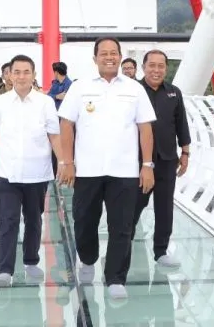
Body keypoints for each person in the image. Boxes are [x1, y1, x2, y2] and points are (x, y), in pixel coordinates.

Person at [58, 37, 156, 301]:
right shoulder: (80, 88)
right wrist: (67, 162)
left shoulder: (135, 89)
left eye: (114, 53)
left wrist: (147, 165)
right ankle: (88, 260)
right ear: (95, 59)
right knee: (84, 222)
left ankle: (115, 278)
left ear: (120, 56)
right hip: (87, 170)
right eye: (104, 54)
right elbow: (66, 124)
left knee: (122, 226)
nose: (109, 57)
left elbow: (145, 127)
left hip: (124, 171)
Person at [0, 54, 67, 287]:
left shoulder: (45, 103)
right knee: (7, 220)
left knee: (34, 219)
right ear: (9, 75)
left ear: (34, 75)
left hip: (36, 172)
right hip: (5, 171)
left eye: (26, 72)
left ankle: (31, 260)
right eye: (16, 72)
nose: (21, 76)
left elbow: (54, 135)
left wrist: (62, 162)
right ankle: (5, 269)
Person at [131, 49, 190, 268]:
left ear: (166, 68)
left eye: (161, 66)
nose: (156, 70)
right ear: (144, 67)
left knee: (164, 207)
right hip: (137, 161)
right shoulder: (134, 91)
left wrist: (185, 153)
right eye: (152, 65)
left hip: (167, 159)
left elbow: (181, 124)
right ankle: (124, 245)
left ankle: (161, 251)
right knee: (134, 204)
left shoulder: (174, 92)